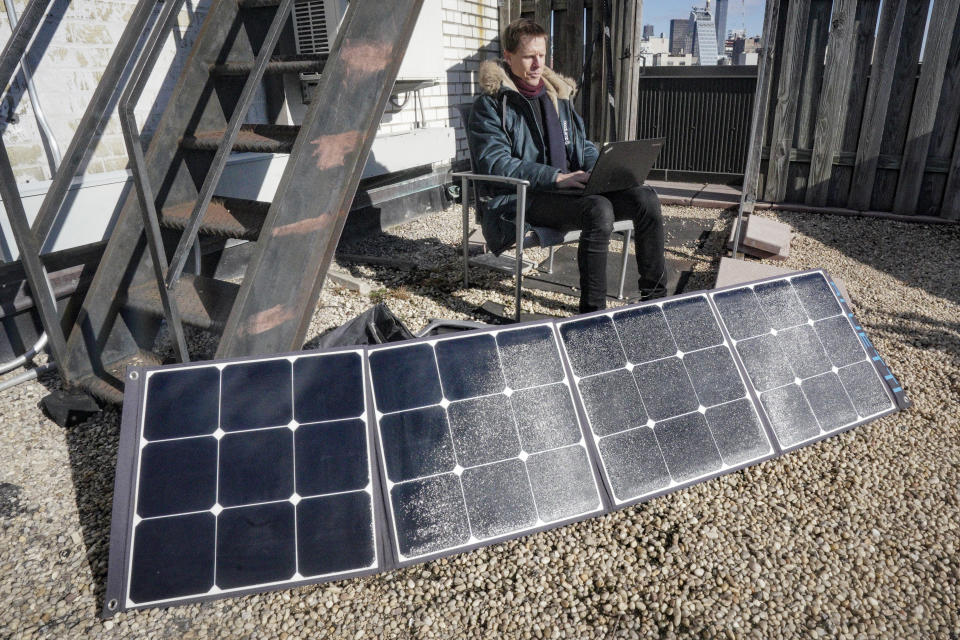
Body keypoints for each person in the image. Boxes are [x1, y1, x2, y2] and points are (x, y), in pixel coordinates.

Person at [467, 18, 667, 313]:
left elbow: (581, 145)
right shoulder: (493, 104)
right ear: (508, 57)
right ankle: (592, 314)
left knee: (645, 198)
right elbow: (494, 162)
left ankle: (656, 298)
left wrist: (603, 170)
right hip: (522, 198)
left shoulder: (557, 95)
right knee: (598, 210)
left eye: (542, 55)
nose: (538, 64)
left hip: (566, 190)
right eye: (528, 56)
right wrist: (555, 177)